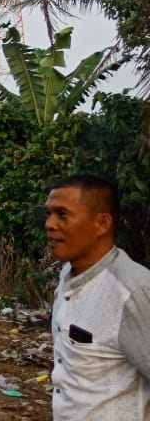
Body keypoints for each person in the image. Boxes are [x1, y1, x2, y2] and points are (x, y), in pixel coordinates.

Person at [45, 174, 150, 420]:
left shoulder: (132, 291)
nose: (50, 224)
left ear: (102, 223)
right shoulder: (67, 276)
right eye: (48, 214)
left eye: (62, 214)